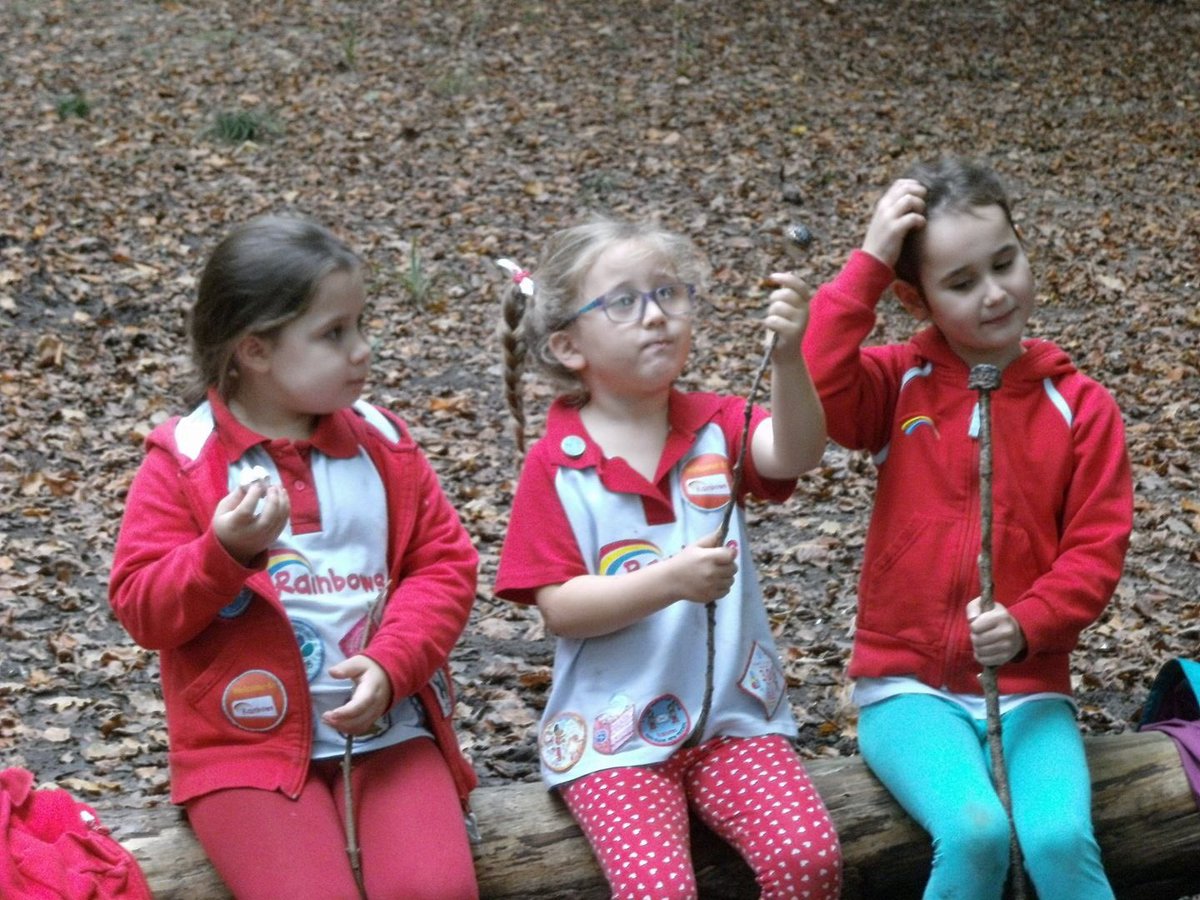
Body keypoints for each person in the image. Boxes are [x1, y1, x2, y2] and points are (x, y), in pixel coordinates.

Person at [108, 215, 480, 900]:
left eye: (361, 324)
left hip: (387, 733)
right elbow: (140, 607)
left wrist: (392, 662)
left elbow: (444, 565)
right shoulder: (187, 461)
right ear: (255, 350)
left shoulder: (384, 443)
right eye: (334, 333)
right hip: (241, 751)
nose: (362, 350)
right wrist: (223, 553)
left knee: (437, 888)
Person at [802, 158, 1133, 898]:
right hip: (905, 691)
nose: (994, 293)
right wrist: (866, 263)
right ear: (915, 299)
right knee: (976, 830)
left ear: (1023, 246)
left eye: (1005, 263)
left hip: (1031, 692)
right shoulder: (898, 384)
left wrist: (1027, 623)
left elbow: (1095, 552)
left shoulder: (1081, 408)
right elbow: (819, 387)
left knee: (1057, 836)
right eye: (960, 283)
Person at [494, 217, 842, 899]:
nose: (654, 316)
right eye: (623, 302)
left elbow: (797, 453)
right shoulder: (558, 467)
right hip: (612, 741)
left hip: (734, 724)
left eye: (668, 294)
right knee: (659, 892)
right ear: (569, 346)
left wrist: (789, 360)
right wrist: (670, 583)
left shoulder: (717, 425)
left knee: (809, 858)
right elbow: (561, 608)